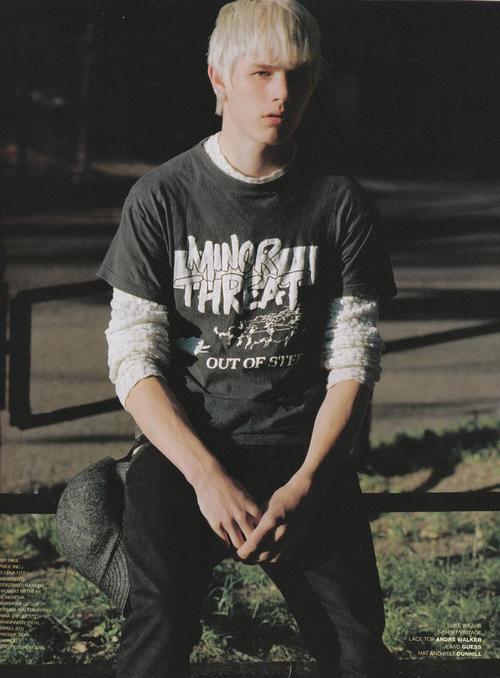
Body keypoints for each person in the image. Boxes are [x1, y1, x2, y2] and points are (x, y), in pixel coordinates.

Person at [97, 1, 398, 676]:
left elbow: (353, 359)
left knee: (358, 650)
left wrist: (309, 485)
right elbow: (133, 358)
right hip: (186, 451)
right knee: (159, 627)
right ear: (219, 79)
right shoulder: (161, 197)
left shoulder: (339, 203)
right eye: (262, 73)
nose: (282, 93)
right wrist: (206, 478)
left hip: (302, 451)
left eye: (298, 74)